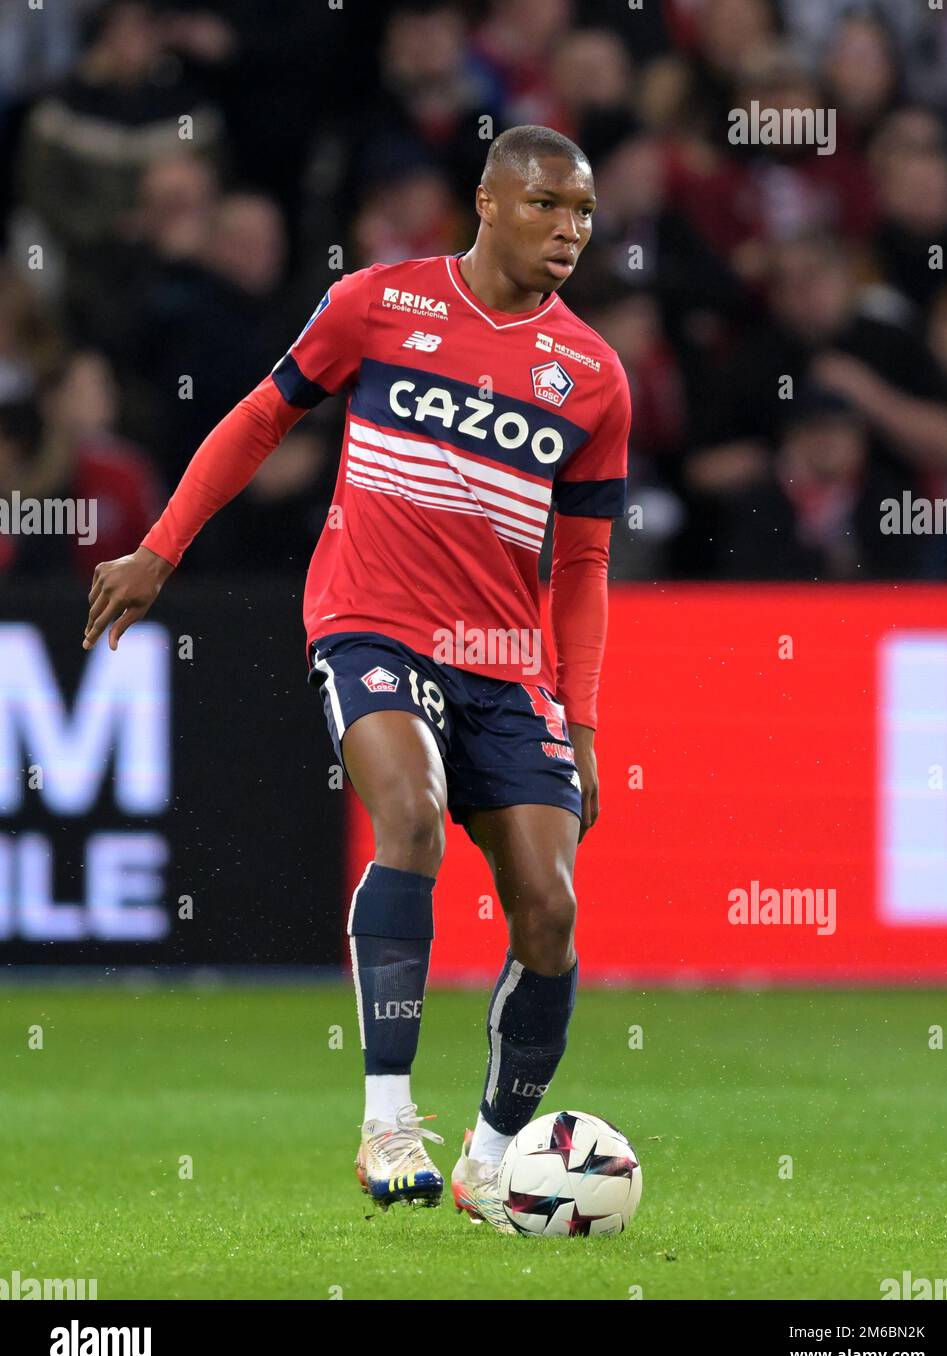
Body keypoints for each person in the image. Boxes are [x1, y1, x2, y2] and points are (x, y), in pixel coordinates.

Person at [82, 125, 631, 1233]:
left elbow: (580, 564)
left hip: (502, 662)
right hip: (369, 621)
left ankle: (486, 1161)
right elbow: (259, 419)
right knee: (412, 817)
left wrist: (580, 718)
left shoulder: (594, 378)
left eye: (583, 212)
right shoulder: (377, 304)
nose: (569, 229)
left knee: (552, 913)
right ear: (486, 200)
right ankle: (387, 1118)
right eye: (545, 204)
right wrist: (161, 547)